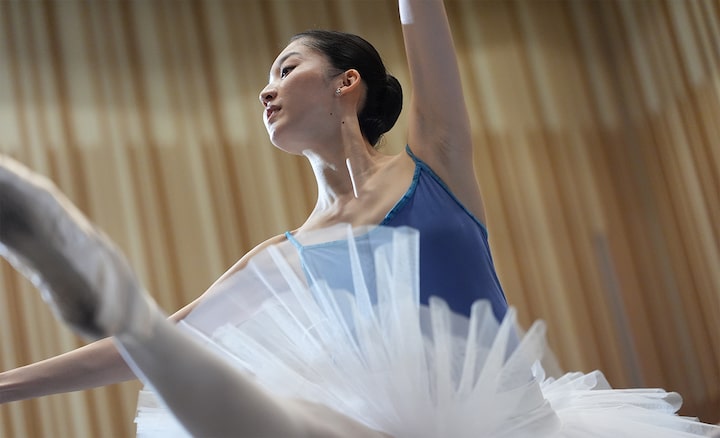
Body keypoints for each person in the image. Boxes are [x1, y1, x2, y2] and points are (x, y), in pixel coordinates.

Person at [1, 0, 719, 436]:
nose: (265, 89)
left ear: (348, 83)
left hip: (515, 427)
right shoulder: (286, 254)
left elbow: (423, 16)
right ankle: (78, 261)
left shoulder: (435, 159)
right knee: (281, 417)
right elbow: (148, 344)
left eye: (286, 68)